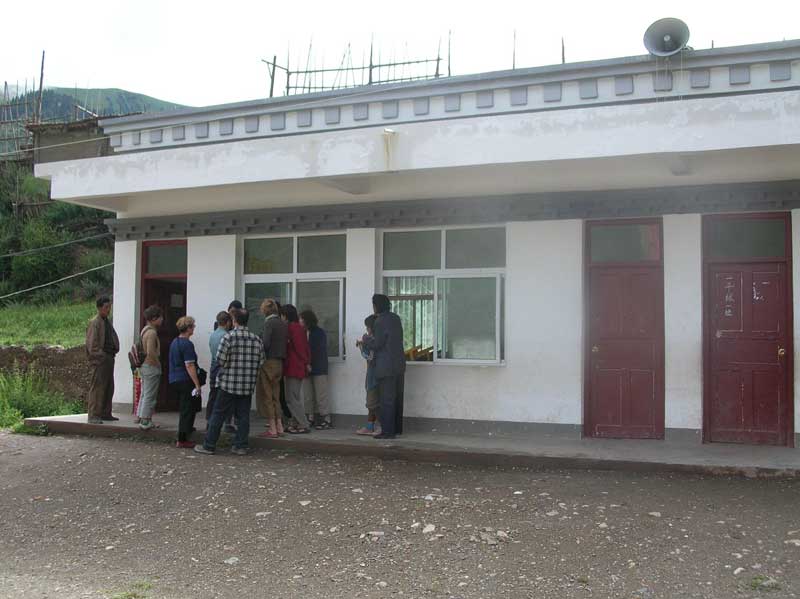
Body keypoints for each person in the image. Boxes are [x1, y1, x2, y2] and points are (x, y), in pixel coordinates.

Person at [195, 308, 264, 455]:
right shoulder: (256, 339)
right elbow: (261, 361)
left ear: (234, 321)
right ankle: (240, 446)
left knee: (218, 414)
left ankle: (209, 445)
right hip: (247, 386)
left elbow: (220, 359)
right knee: (243, 416)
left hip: (228, 384)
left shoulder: (228, 338)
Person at [359, 294, 406, 439]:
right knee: (397, 398)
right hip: (399, 364)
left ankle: (388, 431)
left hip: (385, 366)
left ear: (376, 306)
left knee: (386, 400)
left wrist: (365, 341)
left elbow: (378, 344)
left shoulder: (380, 321)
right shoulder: (395, 318)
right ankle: (397, 429)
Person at [85, 296, 120, 424]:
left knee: (109, 386)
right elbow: (92, 343)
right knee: (97, 388)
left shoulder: (107, 322)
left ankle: (105, 412)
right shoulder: (95, 323)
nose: (108, 310)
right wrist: (100, 356)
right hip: (100, 359)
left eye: (109, 307)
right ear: (99, 308)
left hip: (109, 357)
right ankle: (94, 415)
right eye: (106, 307)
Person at [256, 298, 288, 438]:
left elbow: (266, 343)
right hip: (280, 362)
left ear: (265, 310)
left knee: (267, 395)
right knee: (276, 395)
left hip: (268, 362)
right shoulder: (282, 323)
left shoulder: (269, 323)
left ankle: (273, 428)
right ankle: (280, 426)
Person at [168, 316, 202, 448]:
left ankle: (185, 432)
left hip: (174, 378)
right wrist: (197, 384)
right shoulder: (187, 344)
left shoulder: (174, 342)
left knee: (185, 407)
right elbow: (189, 365)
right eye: (192, 326)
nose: (194, 328)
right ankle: (182, 437)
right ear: (188, 328)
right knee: (187, 408)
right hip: (184, 379)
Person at [301, 309, 332, 430]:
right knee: (307, 395)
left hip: (319, 367)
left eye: (301, 319)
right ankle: (310, 417)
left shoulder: (319, 332)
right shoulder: (302, 333)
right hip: (306, 368)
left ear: (306, 320)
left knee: (321, 394)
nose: (300, 321)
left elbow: (318, 351)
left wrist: (310, 363)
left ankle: (326, 419)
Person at [283, 304, 311, 434]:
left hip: (295, 367)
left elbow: (301, 349)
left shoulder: (293, 328)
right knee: (293, 397)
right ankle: (295, 423)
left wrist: (305, 362)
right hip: (296, 366)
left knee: (292, 398)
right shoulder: (297, 328)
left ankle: (303, 424)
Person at [137, 304, 163, 431]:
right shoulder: (152, 333)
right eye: (160, 317)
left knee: (144, 392)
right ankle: (146, 420)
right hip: (150, 366)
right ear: (154, 318)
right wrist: (158, 364)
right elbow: (150, 352)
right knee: (150, 395)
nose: (162, 319)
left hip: (144, 366)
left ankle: (141, 416)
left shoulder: (144, 330)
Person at [356, 314, 381, 436]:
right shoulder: (373, 339)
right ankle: (370, 426)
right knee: (372, 403)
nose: (367, 330)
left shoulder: (373, 340)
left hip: (374, 376)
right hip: (372, 375)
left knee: (372, 403)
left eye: (367, 327)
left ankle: (382, 426)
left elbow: (369, 357)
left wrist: (362, 346)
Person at [206, 311, 232, 425]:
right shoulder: (226, 336)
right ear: (228, 322)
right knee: (225, 396)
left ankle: (209, 419)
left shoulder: (213, 334)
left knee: (213, 395)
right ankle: (225, 422)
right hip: (222, 366)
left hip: (213, 366)